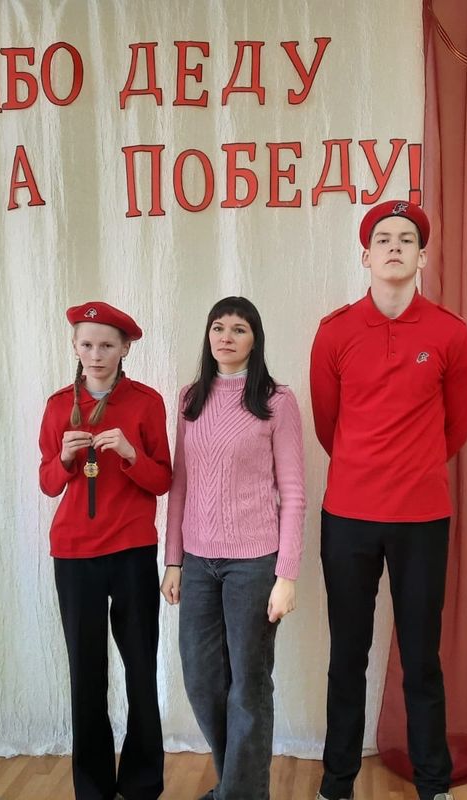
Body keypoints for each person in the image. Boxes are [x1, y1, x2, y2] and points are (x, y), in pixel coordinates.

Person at [309, 201, 467, 800]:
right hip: (348, 517)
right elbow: (328, 425)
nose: (396, 246)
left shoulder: (451, 333)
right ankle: (337, 784)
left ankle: (435, 785)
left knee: (421, 658)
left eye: (407, 239)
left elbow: (456, 428)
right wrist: (366, 469)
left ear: (422, 257)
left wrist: (413, 468)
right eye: (384, 239)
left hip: (422, 518)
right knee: (347, 656)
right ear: (366, 256)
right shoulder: (335, 331)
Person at [160, 296, 306, 800]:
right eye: (218, 327)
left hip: (255, 563)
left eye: (239, 329)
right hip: (198, 561)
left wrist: (286, 575)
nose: (226, 337)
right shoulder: (189, 399)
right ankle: (240, 789)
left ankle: (238, 794)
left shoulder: (277, 401)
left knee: (248, 684)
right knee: (202, 680)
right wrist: (174, 560)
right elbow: (180, 484)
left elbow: (293, 491)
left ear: (254, 339)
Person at [38, 301, 171, 800]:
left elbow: (163, 479)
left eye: (107, 345)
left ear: (125, 349)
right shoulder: (58, 406)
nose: (96, 355)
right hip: (74, 555)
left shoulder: (146, 403)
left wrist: (132, 455)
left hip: (132, 550)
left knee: (141, 669)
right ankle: (92, 789)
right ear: (75, 347)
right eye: (87, 344)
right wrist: (64, 459)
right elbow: (48, 483)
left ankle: (141, 784)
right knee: (86, 674)